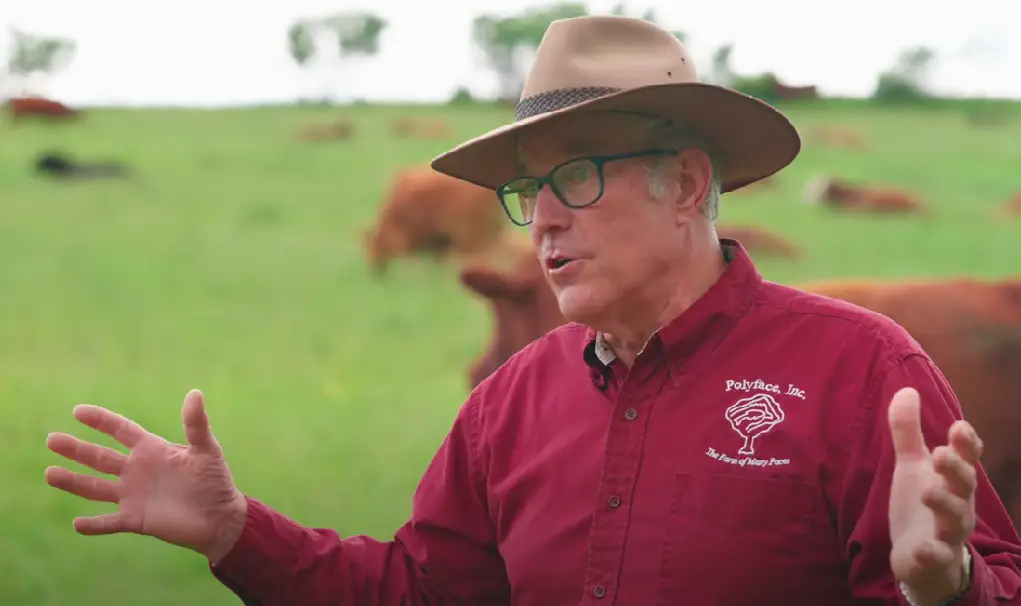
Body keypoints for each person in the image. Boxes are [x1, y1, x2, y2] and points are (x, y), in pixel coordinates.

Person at [43, 15, 1021, 606]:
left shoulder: (859, 372)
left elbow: (982, 580)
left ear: (685, 184)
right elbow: (423, 594)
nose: (541, 220)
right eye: (528, 190)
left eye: (578, 179)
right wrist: (235, 532)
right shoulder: (509, 402)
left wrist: (949, 590)